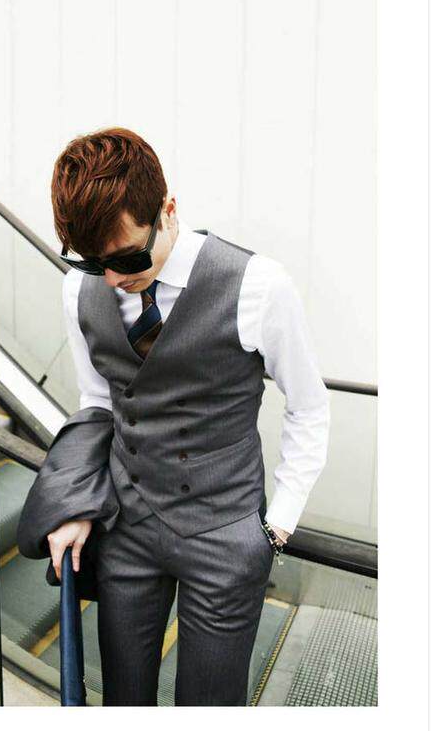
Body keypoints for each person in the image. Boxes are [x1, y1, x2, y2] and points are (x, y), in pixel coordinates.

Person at [43, 127, 329, 706]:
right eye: (95, 264)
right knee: (123, 700)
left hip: (225, 534)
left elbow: (308, 406)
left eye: (127, 257)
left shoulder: (259, 286)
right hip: (126, 528)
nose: (114, 278)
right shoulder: (79, 291)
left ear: (168, 211)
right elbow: (98, 403)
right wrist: (75, 504)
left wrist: (276, 526)